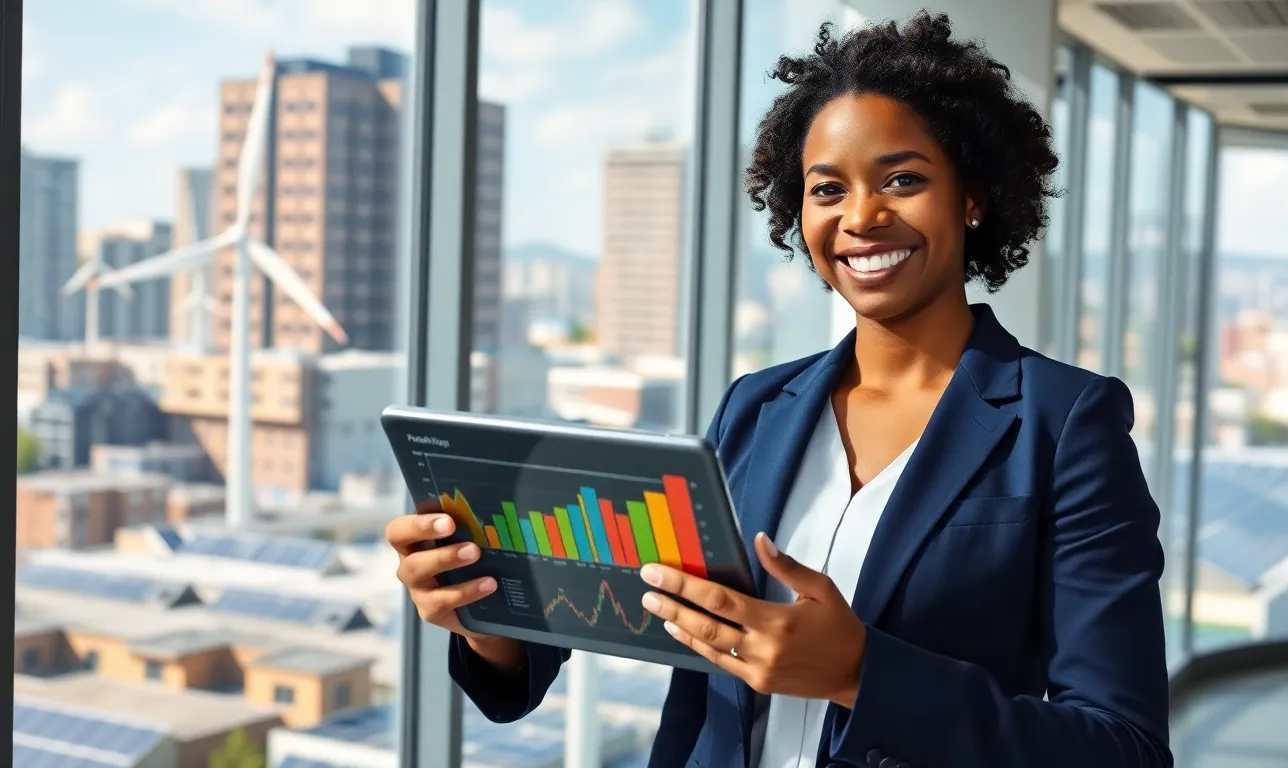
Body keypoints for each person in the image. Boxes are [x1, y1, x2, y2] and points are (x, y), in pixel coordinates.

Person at [386, 12, 1172, 768]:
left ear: (972, 198)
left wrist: (862, 673)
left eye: (902, 179)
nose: (861, 216)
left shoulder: (1065, 424)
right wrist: (483, 611)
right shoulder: (754, 409)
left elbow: (1123, 747)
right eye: (827, 190)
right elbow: (633, 605)